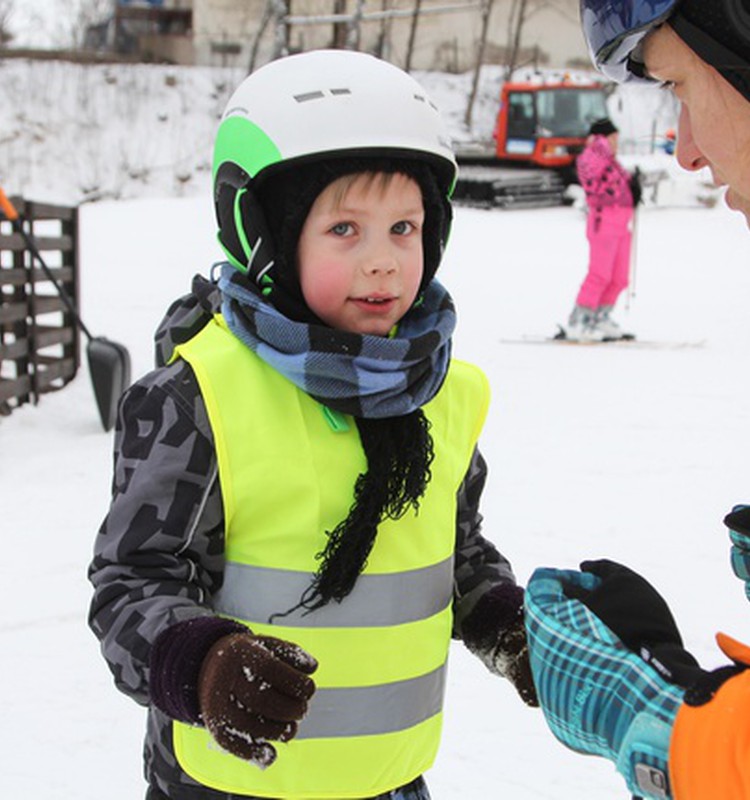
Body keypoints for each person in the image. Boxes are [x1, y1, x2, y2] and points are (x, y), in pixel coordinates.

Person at [88, 49, 538, 800]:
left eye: (404, 227)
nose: (384, 264)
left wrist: (506, 624)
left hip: (389, 782)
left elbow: (450, 552)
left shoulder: (441, 393)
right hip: (229, 783)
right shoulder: (197, 397)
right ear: (264, 237)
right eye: (343, 230)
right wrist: (201, 663)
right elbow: (131, 580)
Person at [525, 1, 750, 798]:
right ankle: (587, 314)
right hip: (605, 227)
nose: (685, 149)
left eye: (683, 88)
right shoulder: (597, 162)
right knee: (602, 274)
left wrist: (654, 720)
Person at [564, 116, 641, 342]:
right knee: (600, 274)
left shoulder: (610, 159)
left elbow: (619, 183)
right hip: (604, 223)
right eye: (614, 138)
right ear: (604, 137)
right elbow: (597, 184)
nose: (617, 142)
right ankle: (580, 319)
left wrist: (633, 186)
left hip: (621, 223)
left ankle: (601, 316)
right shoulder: (593, 155)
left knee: (619, 277)